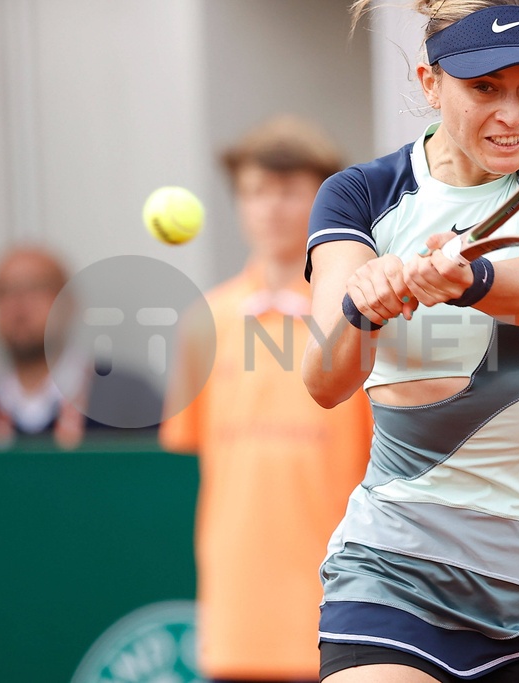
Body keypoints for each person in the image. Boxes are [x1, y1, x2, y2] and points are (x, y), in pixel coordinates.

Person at [301, 2, 519, 681]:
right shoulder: (360, 195)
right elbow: (324, 380)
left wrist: (468, 279)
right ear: (429, 82)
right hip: (393, 558)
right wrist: (363, 306)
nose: (512, 114)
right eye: (484, 87)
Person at [159, 116, 373, 683]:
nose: (271, 208)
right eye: (256, 192)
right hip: (236, 611)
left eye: (289, 190)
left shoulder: (361, 317)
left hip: (344, 600)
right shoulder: (204, 320)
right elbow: (190, 446)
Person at [0, 245, 160, 450]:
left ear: (70, 302)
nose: (18, 306)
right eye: (3, 292)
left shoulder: (132, 403)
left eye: (35, 289)